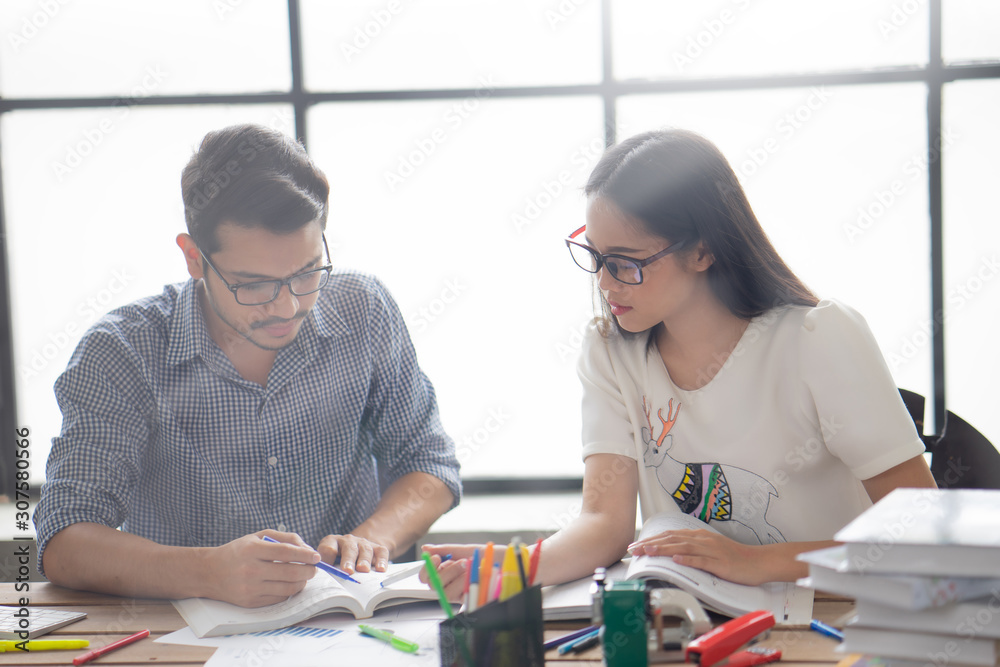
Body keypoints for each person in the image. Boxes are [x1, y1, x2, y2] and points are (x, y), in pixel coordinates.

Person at [424, 128, 935, 594]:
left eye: (625, 263)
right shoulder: (610, 349)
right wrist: (512, 566)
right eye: (596, 258)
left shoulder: (817, 338)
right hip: (691, 624)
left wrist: (754, 561)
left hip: (834, 621)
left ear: (703, 252)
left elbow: (919, 535)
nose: (604, 283)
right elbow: (605, 523)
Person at [34, 123, 462, 607]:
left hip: (350, 627)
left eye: (306, 273)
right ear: (194, 258)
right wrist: (207, 572)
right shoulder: (123, 351)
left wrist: (372, 540)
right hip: (189, 637)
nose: (286, 307)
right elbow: (64, 541)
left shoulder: (364, 308)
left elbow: (428, 463)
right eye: (252, 284)